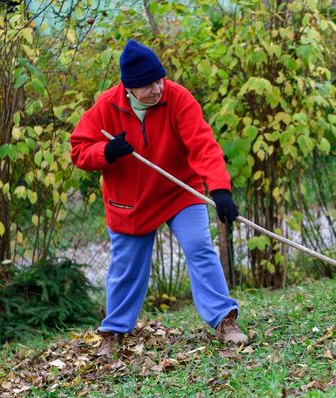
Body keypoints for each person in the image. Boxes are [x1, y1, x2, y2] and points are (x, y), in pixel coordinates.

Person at [70, 39, 248, 356]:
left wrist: (219, 188)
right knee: (126, 269)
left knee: (199, 246)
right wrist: (106, 152)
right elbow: (79, 151)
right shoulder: (105, 107)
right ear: (129, 88)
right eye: (147, 85)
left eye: (158, 80)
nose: (156, 89)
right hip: (131, 202)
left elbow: (203, 145)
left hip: (180, 191)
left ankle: (224, 320)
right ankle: (113, 333)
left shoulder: (178, 98)